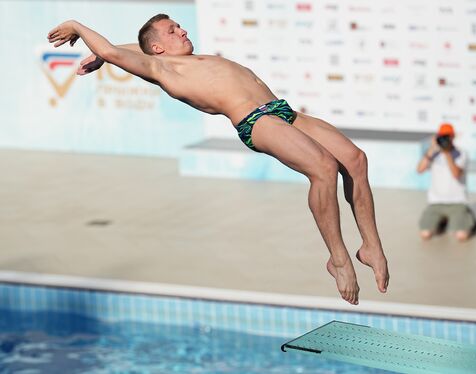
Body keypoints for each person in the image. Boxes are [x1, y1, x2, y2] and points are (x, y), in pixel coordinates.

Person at [47, 14, 389, 305]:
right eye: (172, 31)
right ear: (157, 48)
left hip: (281, 110)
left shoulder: (180, 58)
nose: (182, 31)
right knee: (324, 168)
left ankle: (370, 247)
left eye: (179, 26)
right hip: (258, 122)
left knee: (355, 160)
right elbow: (123, 50)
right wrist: (81, 30)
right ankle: (339, 258)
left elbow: (131, 47)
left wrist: (108, 55)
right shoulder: (164, 69)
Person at [416, 123, 476, 241]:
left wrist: (447, 152)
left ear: (453, 137)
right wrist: (432, 148)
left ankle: (469, 219)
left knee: (461, 236)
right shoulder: (433, 154)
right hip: (436, 202)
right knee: (425, 234)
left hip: (457, 202)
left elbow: (456, 174)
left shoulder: (461, 153)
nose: (445, 139)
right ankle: (443, 222)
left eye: (447, 136)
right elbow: (420, 170)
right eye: (442, 136)